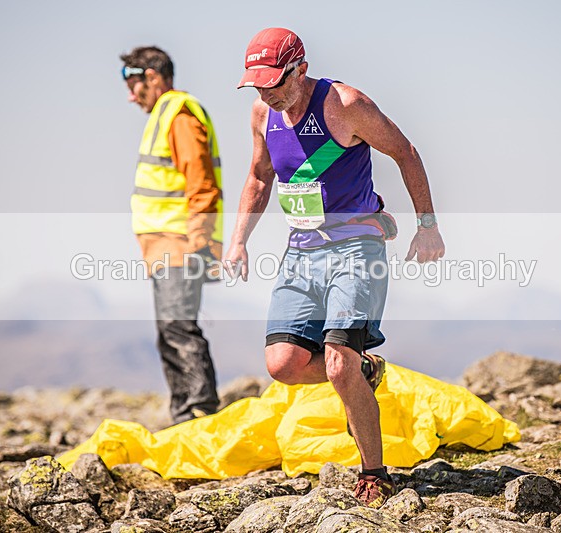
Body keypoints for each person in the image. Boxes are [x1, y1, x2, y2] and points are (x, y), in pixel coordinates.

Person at [225, 28, 446, 507]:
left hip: (356, 246)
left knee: (338, 361)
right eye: (257, 85)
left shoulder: (344, 105)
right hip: (301, 251)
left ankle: (373, 472)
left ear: (299, 69)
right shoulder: (263, 112)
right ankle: (364, 374)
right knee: (283, 365)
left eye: (274, 82)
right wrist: (238, 240)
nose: (266, 92)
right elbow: (259, 176)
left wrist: (427, 226)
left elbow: (405, 152)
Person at [120, 46, 223, 424]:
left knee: (179, 330)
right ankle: (186, 417)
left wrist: (199, 241)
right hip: (165, 247)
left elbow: (202, 182)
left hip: (180, 245)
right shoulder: (164, 116)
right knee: (171, 332)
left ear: (152, 76)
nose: (131, 96)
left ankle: (199, 417)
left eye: (134, 85)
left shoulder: (178, 116)